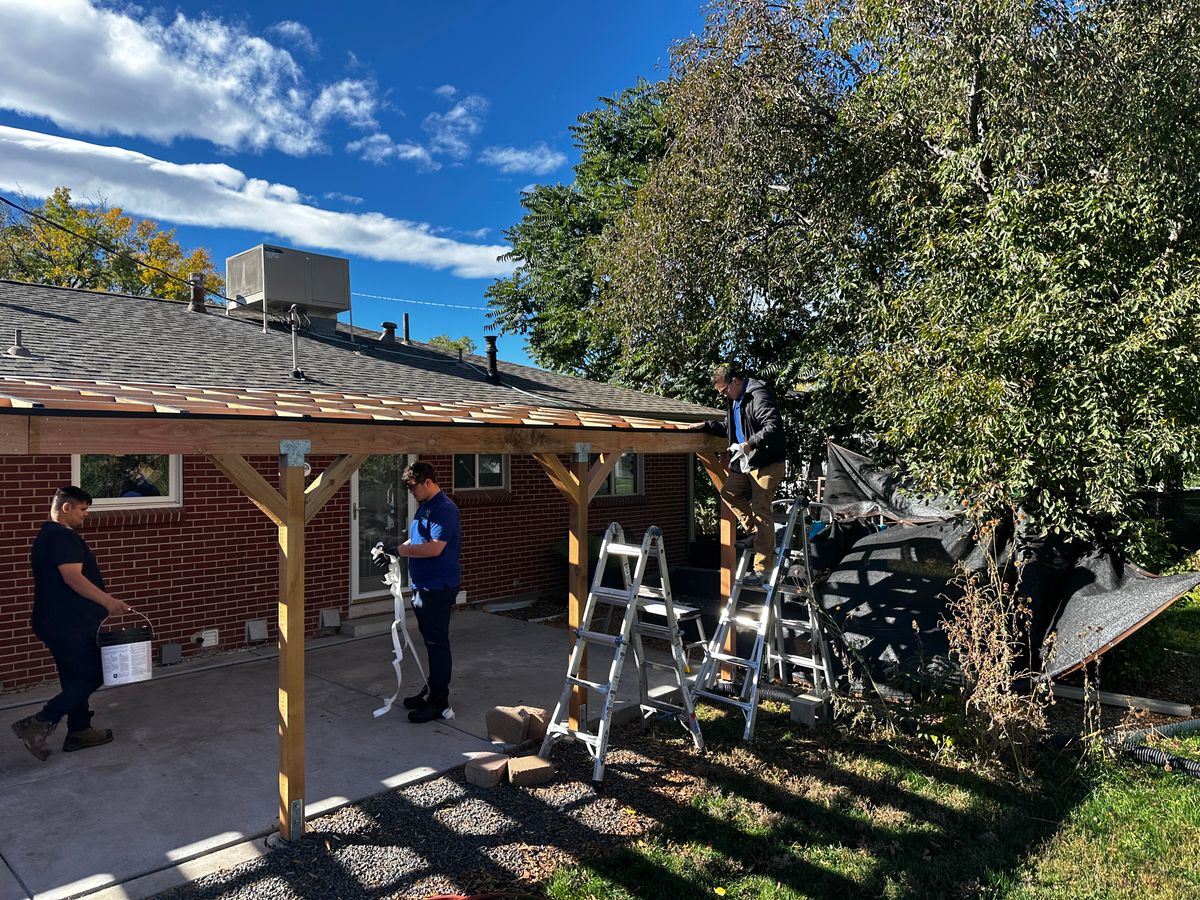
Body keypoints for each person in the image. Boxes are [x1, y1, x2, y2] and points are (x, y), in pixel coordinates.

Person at [11, 486, 131, 761]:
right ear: (67, 508)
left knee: (74, 677)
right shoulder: (62, 537)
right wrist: (108, 601)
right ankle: (40, 721)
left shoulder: (46, 536)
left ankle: (79, 730)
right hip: (70, 623)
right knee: (94, 674)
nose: (85, 516)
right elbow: (73, 578)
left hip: (53, 621)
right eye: (83, 509)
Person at [374, 461, 461, 724]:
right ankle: (431, 690)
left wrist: (400, 551)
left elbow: (434, 548)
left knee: (437, 643)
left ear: (427, 482)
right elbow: (418, 540)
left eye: (413, 487)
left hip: (437, 586)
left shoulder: (444, 509)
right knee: (430, 641)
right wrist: (393, 549)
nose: (410, 492)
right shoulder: (425, 507)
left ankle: (439, 700)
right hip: (423, 585)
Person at [691, 363, 787, 585]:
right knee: (729, 493)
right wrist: (705, 425)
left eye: (724, 390)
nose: (724, 394)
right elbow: (731, 427)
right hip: (747, 462)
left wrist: (749, 444)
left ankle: (763, 567)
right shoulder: (734, 401)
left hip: (767, 461)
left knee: (761, 507)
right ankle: (755, 532)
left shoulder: (757, 395)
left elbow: (772, 426)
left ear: (735, 381)